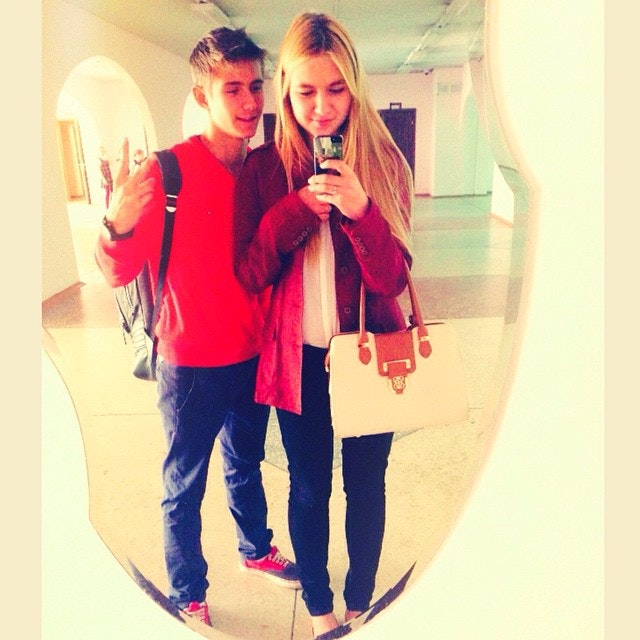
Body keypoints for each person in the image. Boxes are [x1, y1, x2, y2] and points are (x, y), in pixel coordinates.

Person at [95, 27, 300, 627]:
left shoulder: (265, 170)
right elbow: (117, 271)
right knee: (183, 483)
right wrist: (114, 224)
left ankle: (255, 548)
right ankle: (186, 591)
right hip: (188, 365)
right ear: (202, 95)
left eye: (255, 87)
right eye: (232, 89)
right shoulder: (168, 173)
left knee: (246, 462)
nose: (248, 102)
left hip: (252, 354)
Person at [233, 12, 414, 638]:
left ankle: (360, 602)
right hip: (300, 358)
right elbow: (250, 273)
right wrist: (295, 211)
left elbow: (392, 280)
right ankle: (319, 609)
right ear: (285, 89)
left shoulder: (383, 161)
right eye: (306, 91)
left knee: (366, 485)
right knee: (309, 488)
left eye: (336, 89)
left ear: (354, 85)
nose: (321, 108)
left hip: (370, 352)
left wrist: (361, 210)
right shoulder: (262, 169)